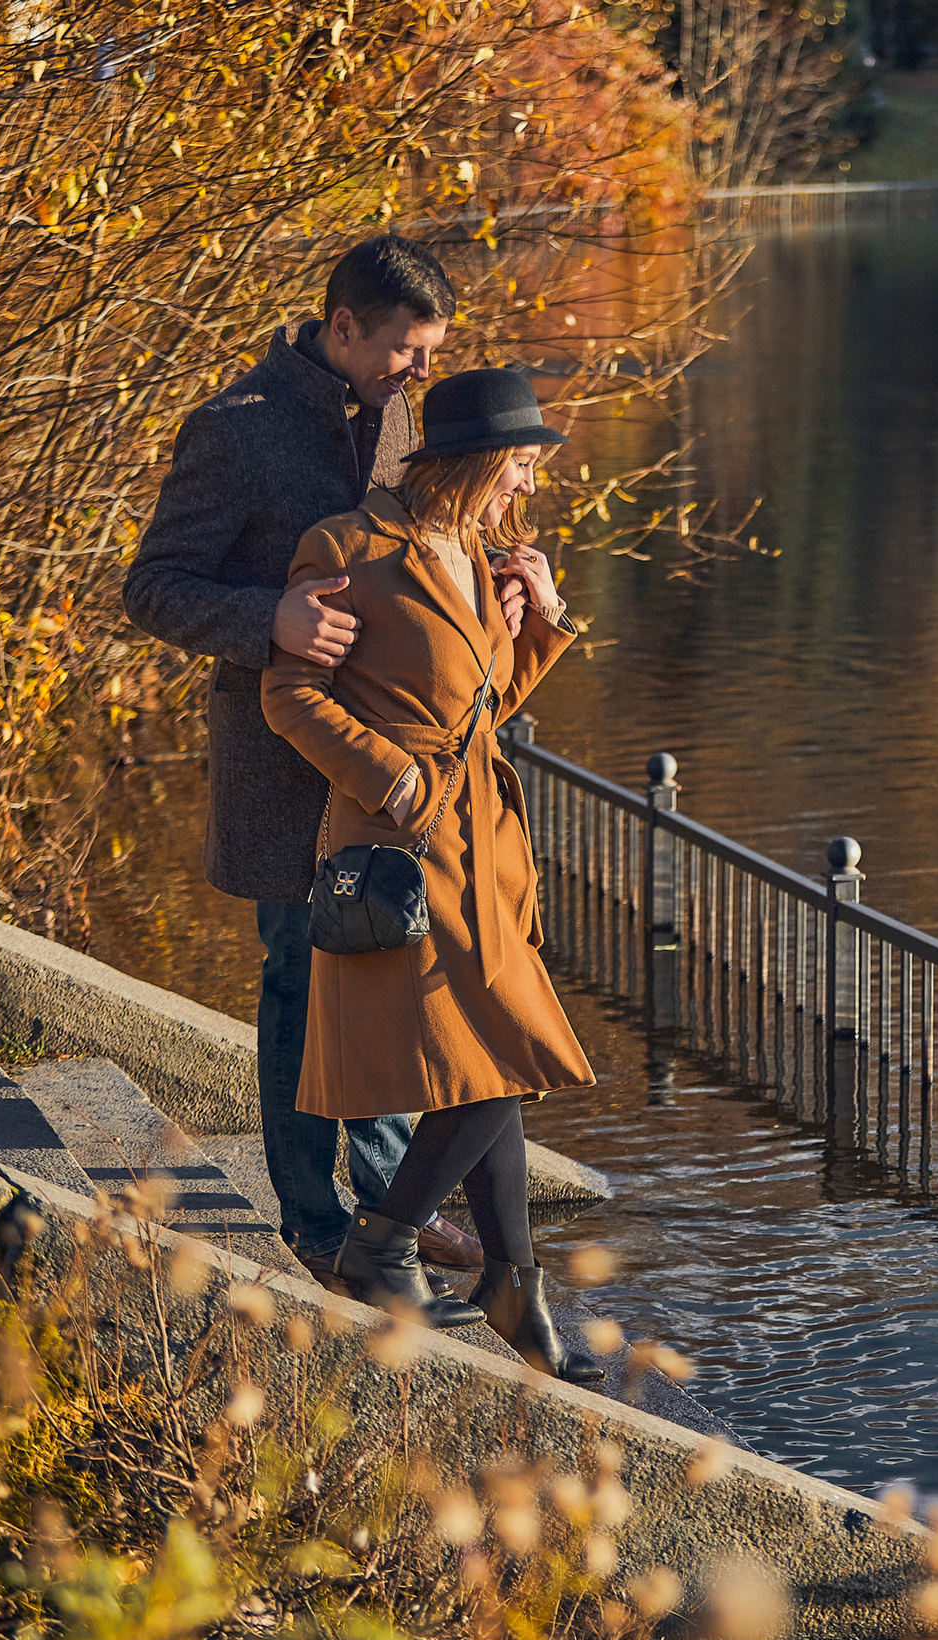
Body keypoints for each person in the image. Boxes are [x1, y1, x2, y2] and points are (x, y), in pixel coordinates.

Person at [123, 236, 492, 1289]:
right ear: (341, 328)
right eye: (406, 350)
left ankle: (390, 1203)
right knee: (299, 982)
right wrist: (268, 618)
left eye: (430, 353)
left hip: (384, 767)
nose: (420, 371)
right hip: (284, 769)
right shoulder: (231, 432)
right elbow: (152, 588)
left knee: (384, 973)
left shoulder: (403, 419)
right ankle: (314, 1221)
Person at [261, 366, 603, 1379]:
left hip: (488, 849)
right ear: (474, 460)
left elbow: (482, 710)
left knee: (491, 1062)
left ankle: (507, 1278)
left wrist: (541, 618)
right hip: (404, 845)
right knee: (508, 1054)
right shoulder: (348, 548)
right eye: (522, 467)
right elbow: (290, 695)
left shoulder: (485, 556)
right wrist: (396, 782)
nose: (529, 490)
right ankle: (393, 1241)